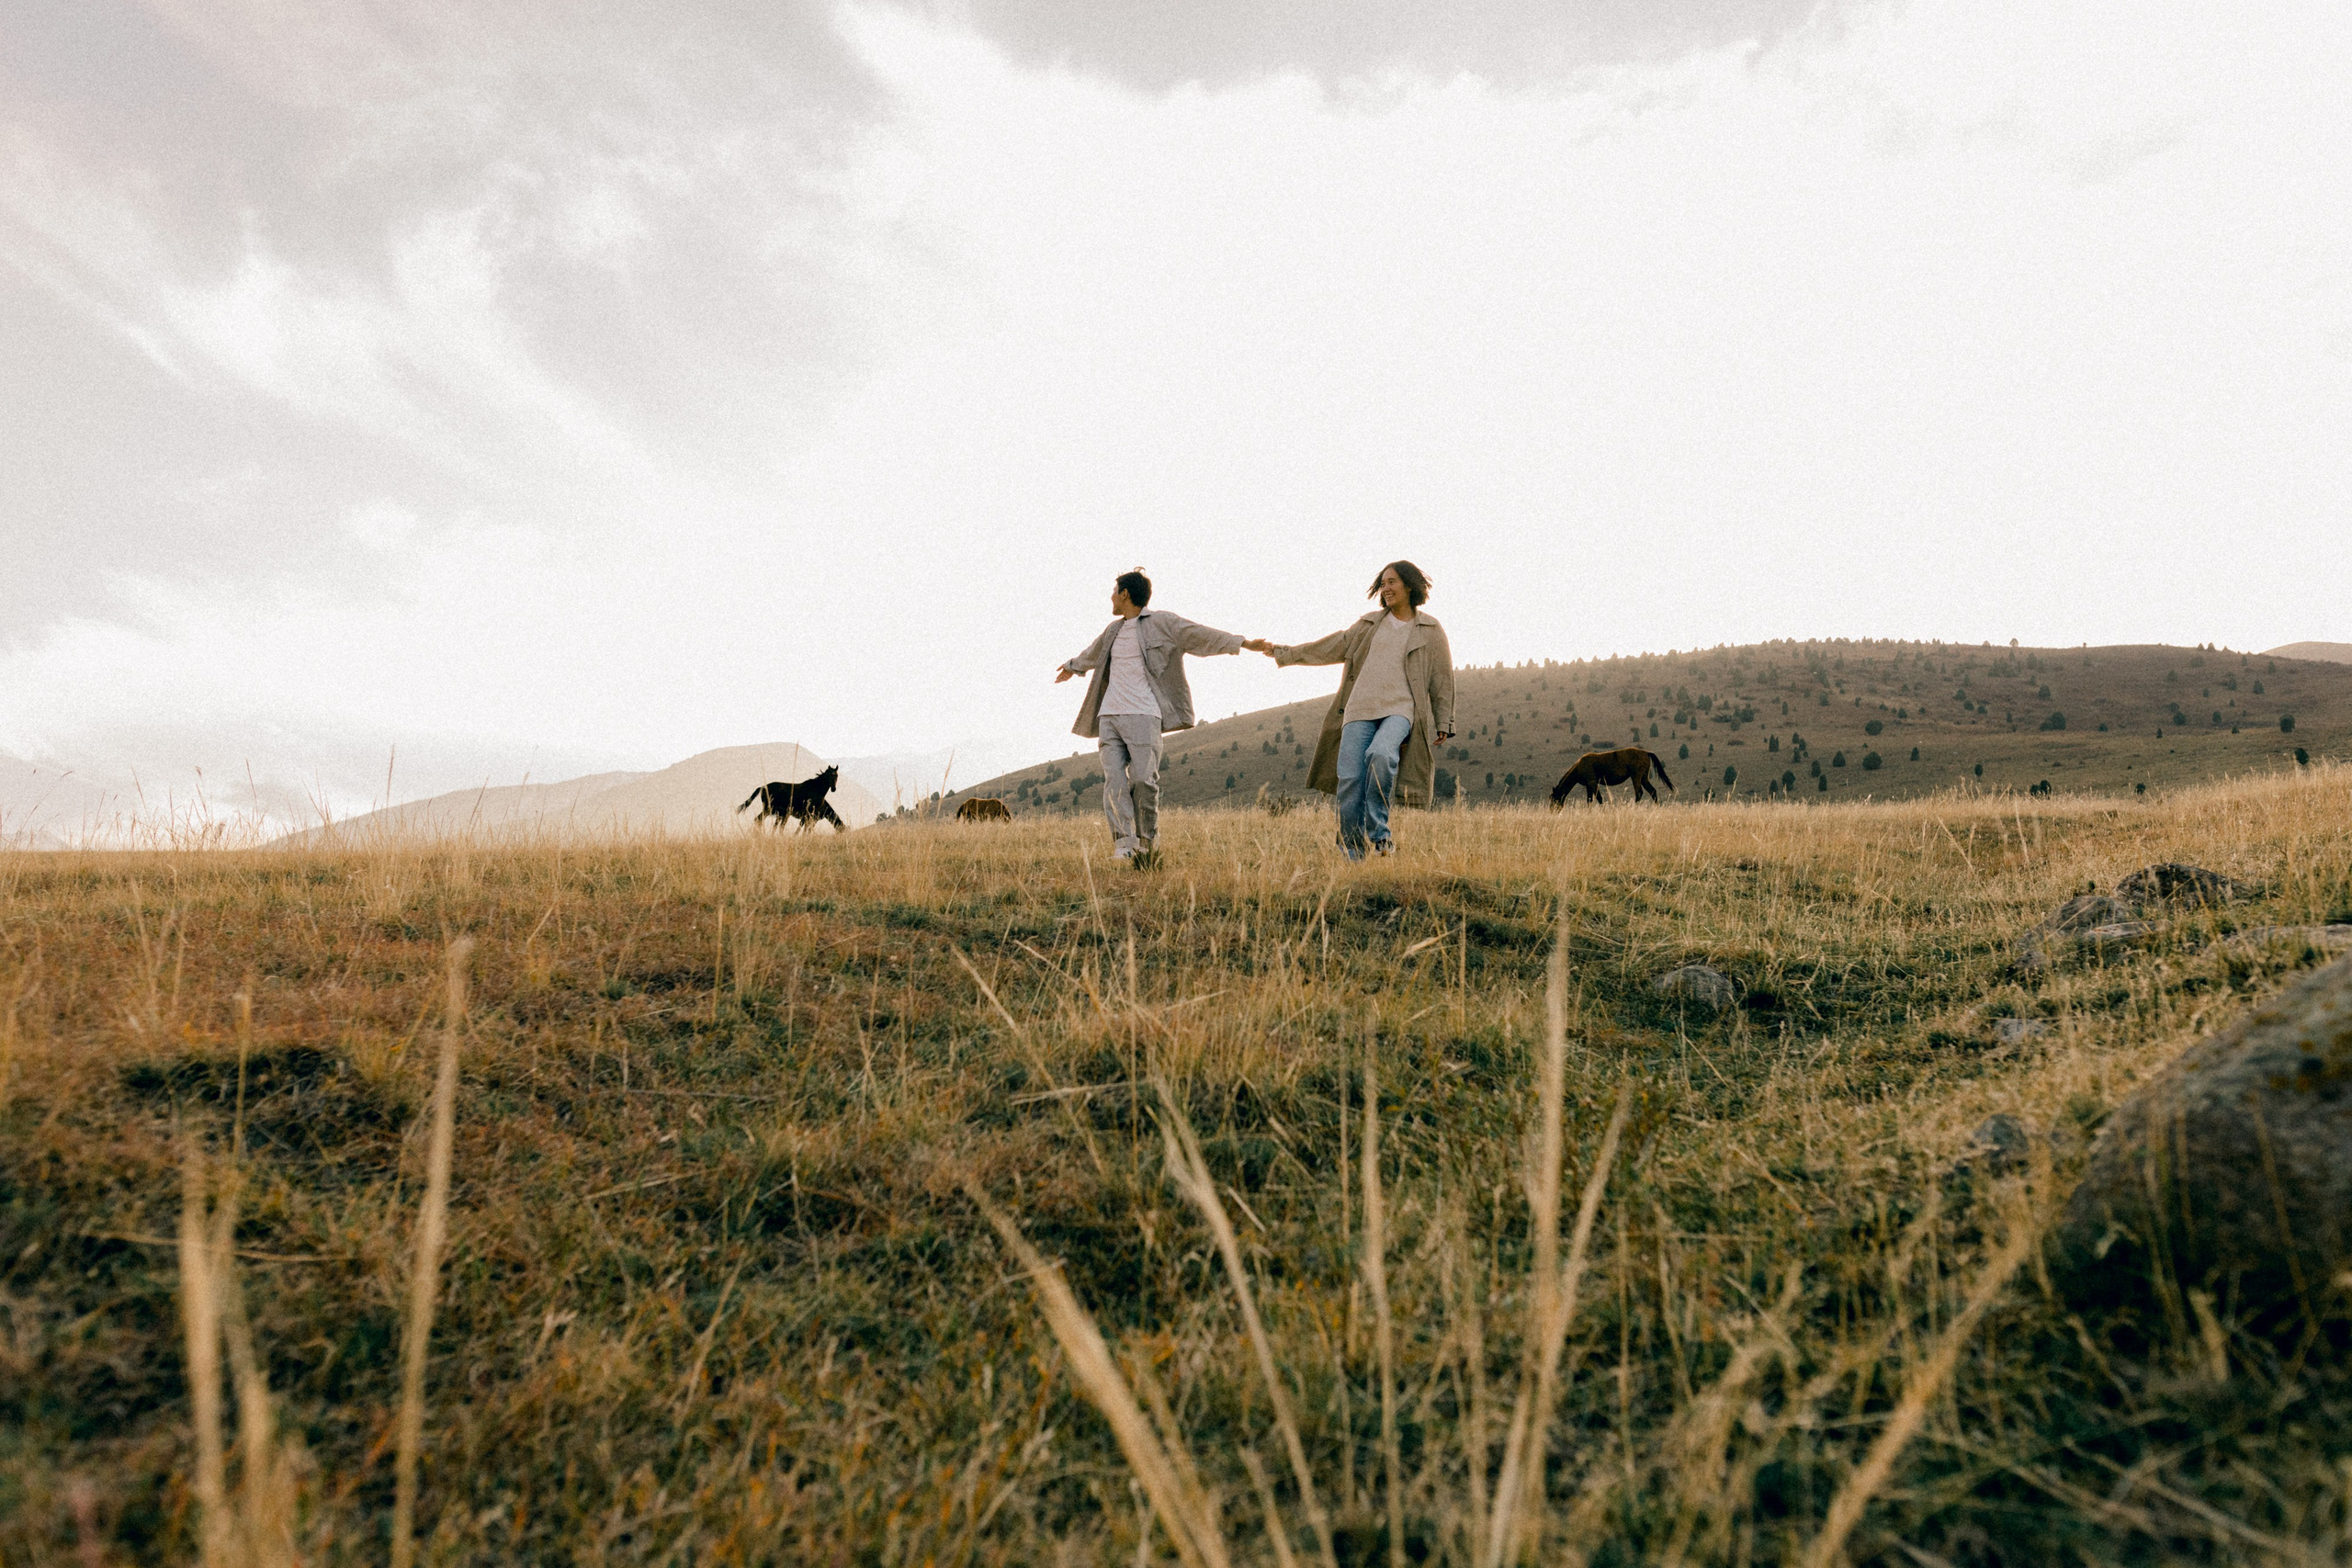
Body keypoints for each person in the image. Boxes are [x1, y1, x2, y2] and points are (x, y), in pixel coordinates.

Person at [1244, 561, 1454, 859]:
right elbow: (1330, 646)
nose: (1386, 588)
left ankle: (1380, 835)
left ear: (1409, 585)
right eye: (1382, 584)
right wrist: (1284, 653)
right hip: (1358, 709)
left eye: (1392, 582)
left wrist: (1444, 719)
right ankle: (1352, 852)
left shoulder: (1430, 629)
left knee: (1380, 755)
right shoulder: (1369, 624)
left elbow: (1442, 677)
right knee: (1350, 779)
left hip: (1401, 709)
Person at [1057, 570, 1252, 867]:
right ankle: (1124, 845)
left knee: (1143, 782)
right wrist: (1072, 666)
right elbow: (1093, 654)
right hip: (1108, 715)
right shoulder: (1112, 630)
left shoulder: (1162, 623)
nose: (1111, 596)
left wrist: (1238, 642)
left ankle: (1147, 846)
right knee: (1114, 782)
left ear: (1125, 594)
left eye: (1114, 591)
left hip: (1144, 715)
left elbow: (1198, 634)